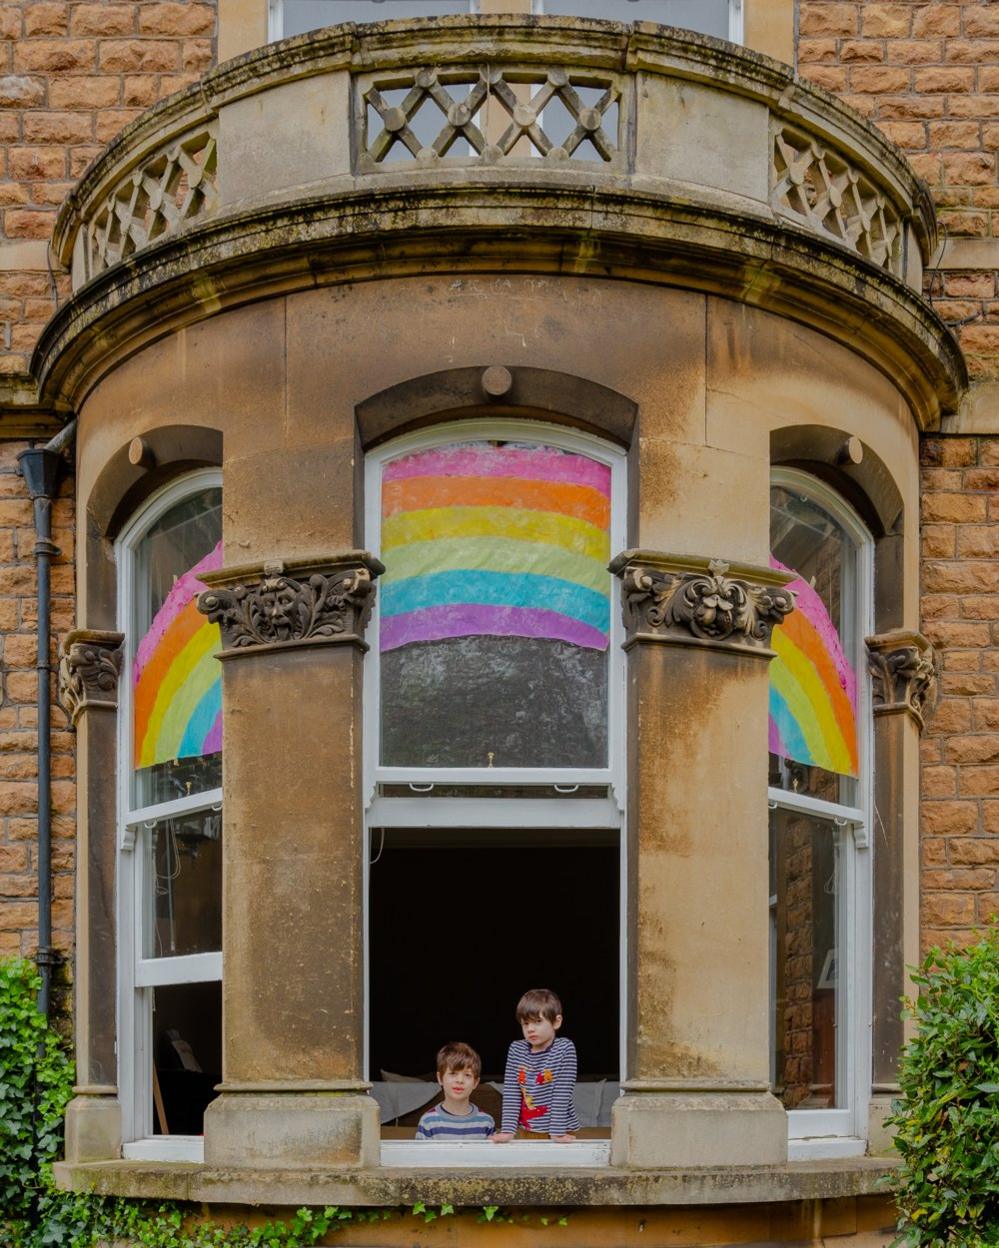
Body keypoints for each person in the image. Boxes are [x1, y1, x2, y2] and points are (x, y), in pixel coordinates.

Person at [492, 987, 579, 1142]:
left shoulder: (564, 1048)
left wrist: (557, 1132)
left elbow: (563, 1091)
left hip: (560, 1127)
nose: (530, 1029)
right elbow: (512, 1091)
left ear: (556, 1022)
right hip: (527, 1127)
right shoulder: (516, 1049)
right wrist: (507, 1130)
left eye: (538, 1021)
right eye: (525, 1023)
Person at [415, 1041, 495, 1140]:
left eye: (467, 1075)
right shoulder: (428, 1122)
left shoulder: (486, 1122)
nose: (460, 1080)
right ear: (440, 1078)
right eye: (453, 1073)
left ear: (475, 1083)